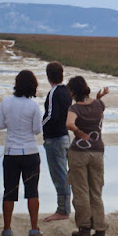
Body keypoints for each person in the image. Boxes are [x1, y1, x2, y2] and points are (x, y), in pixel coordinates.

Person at [0, 70, 43, 236]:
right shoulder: (33, 106)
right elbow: (37, 129)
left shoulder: (6, 102)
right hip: (30, 151)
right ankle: (34, 228)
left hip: (11, 152)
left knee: (9, 190)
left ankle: (7, 227)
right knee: (32, 190)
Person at [66, 76, 109, 236]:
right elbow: (98, 108)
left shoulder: (75, 108)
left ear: (73, 91)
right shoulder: (98, 105)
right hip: (98, 151)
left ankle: (84, 228)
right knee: (96, 192)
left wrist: (78, 132)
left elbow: (69, 124)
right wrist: (98, 98)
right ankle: (100, 230)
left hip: (79, 152)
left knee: (81, 191)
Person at [42, 62, 72, 222]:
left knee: (59, 175)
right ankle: (65, 208)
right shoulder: (67, 91)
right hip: (65, 136)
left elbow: (51, 115)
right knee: (64, 173)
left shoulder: (54, 92)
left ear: (48, 76)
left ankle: (63, 210)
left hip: (55, 138)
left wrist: (41, 125)